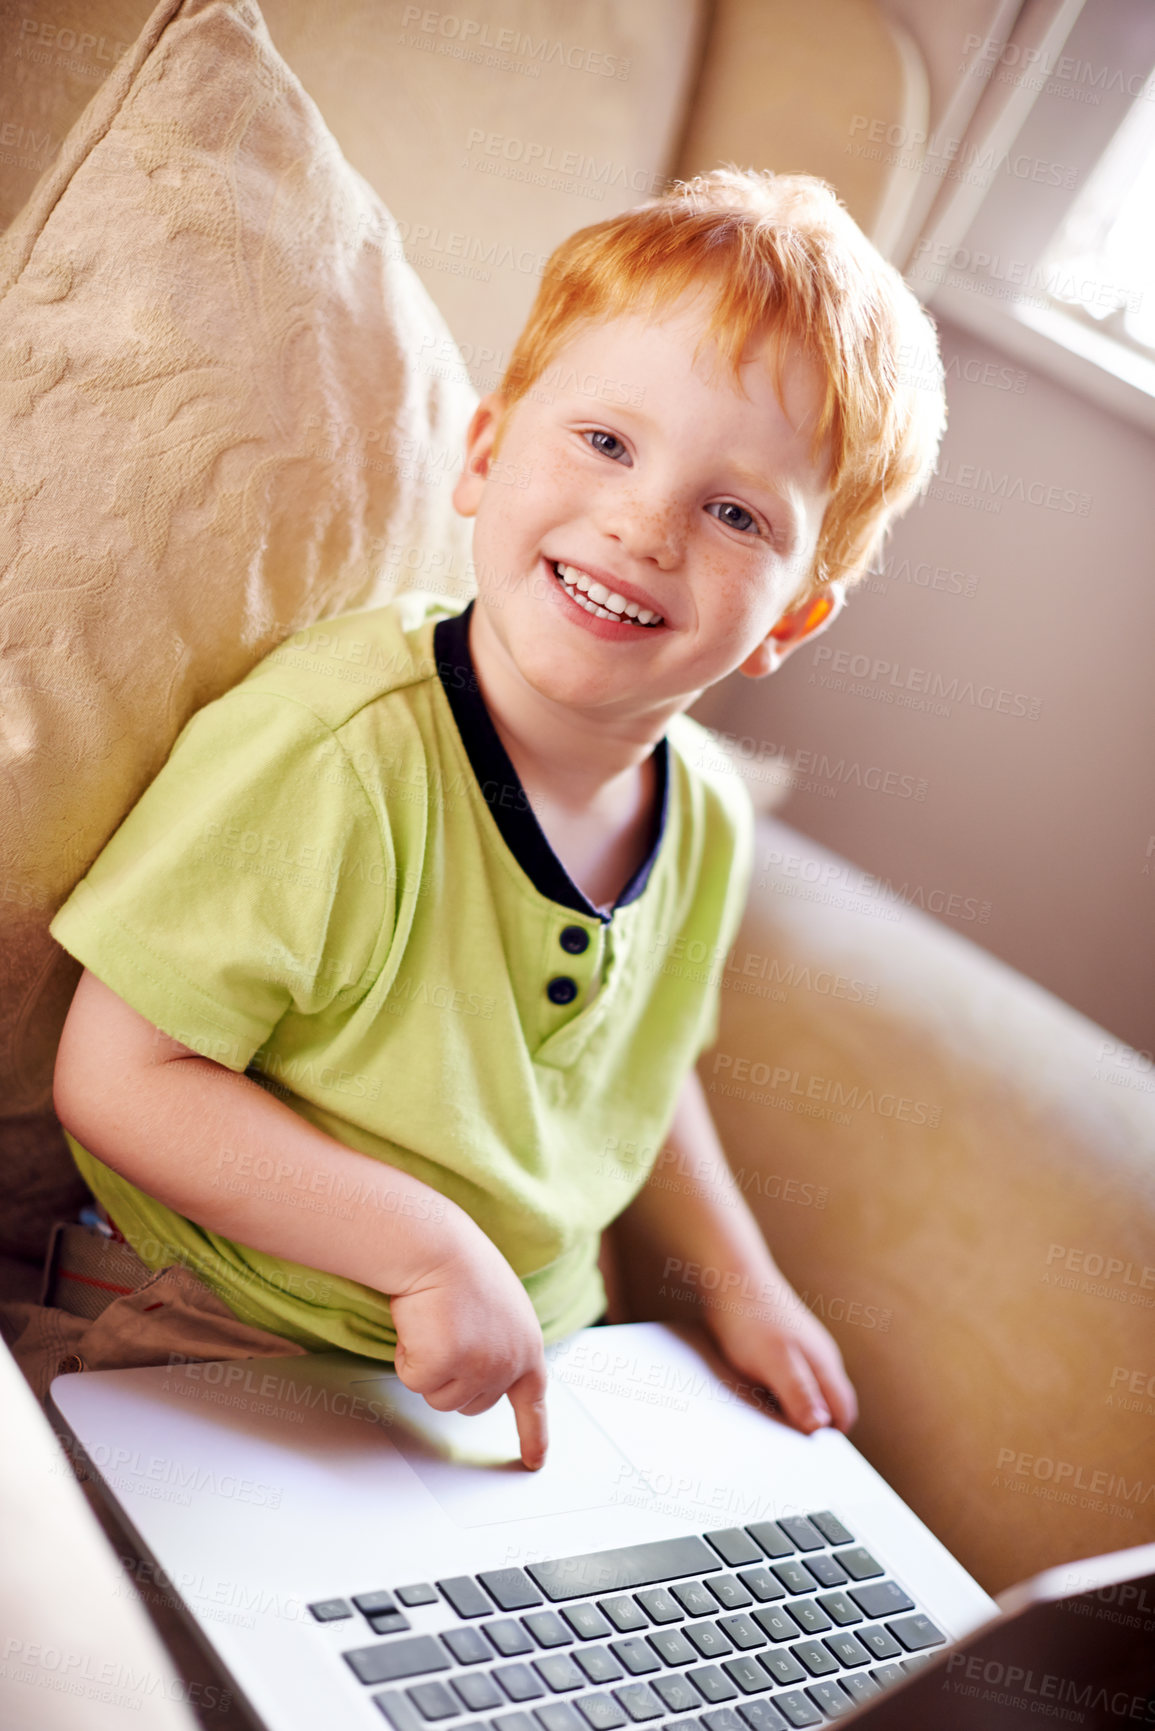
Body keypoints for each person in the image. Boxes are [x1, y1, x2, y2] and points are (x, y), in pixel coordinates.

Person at [48, 168, 945, 1469]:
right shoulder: (341, 751)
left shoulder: (703, 821)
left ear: (793, 621)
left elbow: (643, 1067)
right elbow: (121, 1077)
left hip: (537, 1354)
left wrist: (740, 1281)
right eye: (607, 442)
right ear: (483, 455)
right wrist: (428, 1251)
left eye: (737, 512)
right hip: (226, 1318)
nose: (643, 523)